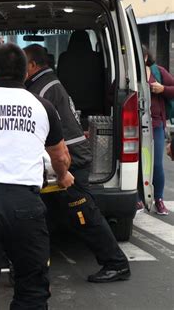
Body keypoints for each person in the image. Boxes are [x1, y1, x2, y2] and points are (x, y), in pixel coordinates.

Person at [0, 43, 74, 309]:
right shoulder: (42, 106)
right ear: (25, 75)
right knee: (32, 289)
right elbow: (61, 156)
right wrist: (64, 176)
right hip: (26, 206)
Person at [24, 44, 130, 283]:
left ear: (32, 65)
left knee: (84, 215)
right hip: (68, 157)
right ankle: (33, 264)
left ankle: (117, 263)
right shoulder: (45, 84)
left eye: (22, 64)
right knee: (51, 212)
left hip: (71, 160)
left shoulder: (43, 89)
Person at [140, 46, 174, 215]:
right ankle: (137, 199)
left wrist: (163, 89)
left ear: (146, 57)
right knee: (136, 162)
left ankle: (159, 199)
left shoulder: (158, 71)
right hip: (133, 124)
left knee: (156, 164)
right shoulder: (128, 71)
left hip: (156, 124)